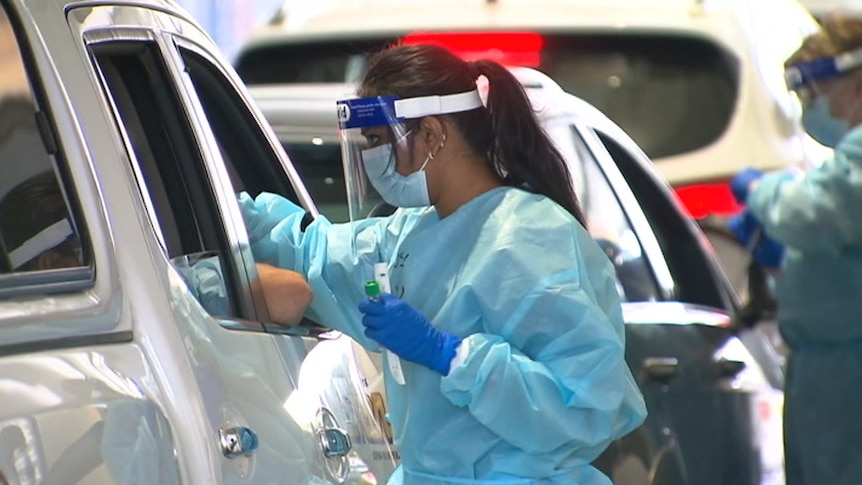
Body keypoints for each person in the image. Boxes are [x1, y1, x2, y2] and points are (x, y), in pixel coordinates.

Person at [239, 43, 646, 485]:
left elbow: (584, 408)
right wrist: (222, 206)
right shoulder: (407, 235)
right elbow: (311, 253)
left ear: (431, 134)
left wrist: (450, 355)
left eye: (377, 141)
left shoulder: (531, 239)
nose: (372, 158)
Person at [729, 11, 862, 485]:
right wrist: (792, 262)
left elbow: (816, 212)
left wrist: (763, 191)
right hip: (830, 367)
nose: (811, 108)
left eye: (817, 93)